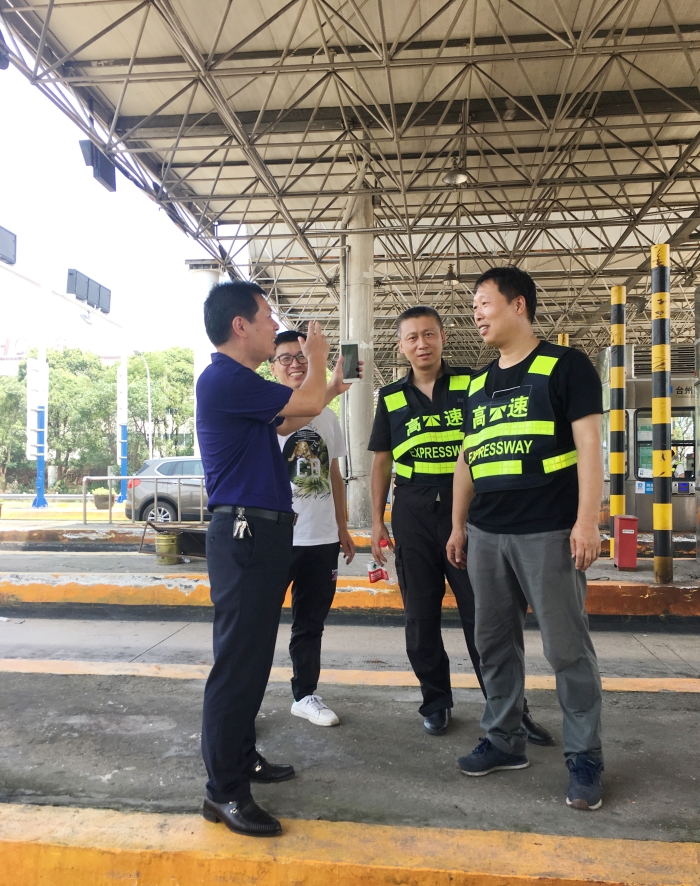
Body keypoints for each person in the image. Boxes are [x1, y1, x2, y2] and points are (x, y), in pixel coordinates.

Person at [447, 266, 605, 811]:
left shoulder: (566, 366)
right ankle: (504, 739)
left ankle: (584, 756)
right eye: (473, 306)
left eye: (484, 303)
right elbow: (467, 458)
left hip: (549, 532)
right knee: (493, 644)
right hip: (487, 534)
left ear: (518, 305)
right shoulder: (477, 384)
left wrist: (588, 521)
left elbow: (589, 447)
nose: (477, 314)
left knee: (566, 649)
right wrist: (458, 525)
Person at [197, 280, 342, 838]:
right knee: (238, 663)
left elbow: (288, 420)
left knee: (252, 659)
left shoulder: (242, 386)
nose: (273, 326)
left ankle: (241, 759)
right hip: (245, 532)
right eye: (265, 317)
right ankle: (224, 791)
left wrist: (327, 387)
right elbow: (304, 404)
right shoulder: (225, 377)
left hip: (260, 532)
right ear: (240, 326)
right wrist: (318, 359)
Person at [369, 305, 552, 743]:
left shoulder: (473, 383)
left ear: (443, 337)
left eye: (429, 334)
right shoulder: (390, 397)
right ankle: (436, 702)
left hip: (469, 511)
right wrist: (377, 521)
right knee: (420, 617)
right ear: (401, 346)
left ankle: (509, 709)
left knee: (487, 618)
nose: (422, 344)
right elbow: (381, 463)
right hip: (412, 511)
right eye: (412, 337)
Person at [270, 329, 356, 727]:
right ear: (273, 367)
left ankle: (304, 695)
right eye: (286, 358)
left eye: (303, 356)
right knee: (257, 622)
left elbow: (334, 474)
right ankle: (241, 702)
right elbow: (286, 425)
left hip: (321, 539)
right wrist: (328, 389)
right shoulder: (267, 409)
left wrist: (342, 526)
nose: (296, 364)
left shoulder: (328, 417)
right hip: (277, 538)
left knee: (310, 623)